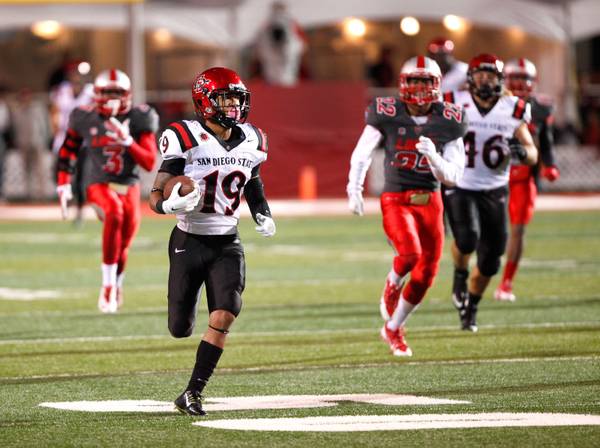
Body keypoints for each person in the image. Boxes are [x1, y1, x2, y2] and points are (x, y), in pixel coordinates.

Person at [149, 67, 276, 415]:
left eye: (237, 98)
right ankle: (185, 342)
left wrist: (262, 211)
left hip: (227, 242)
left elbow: (252, 181)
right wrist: (168, 204)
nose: (233, 105)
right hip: (189, 240)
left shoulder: (253, 138)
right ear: (205, 101)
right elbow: (157, 191)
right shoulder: (183, 135)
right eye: (225, 98)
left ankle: (192, 392)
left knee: (225, 313)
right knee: (180, 327)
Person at [347, 56, 468, 357]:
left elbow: (453, 176)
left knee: (428, 273)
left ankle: (393, 328)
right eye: (414, 81)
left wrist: (434, 158)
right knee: (411, 254)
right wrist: (354, 187)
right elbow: (362, 153)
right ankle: (393, 281)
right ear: (403, 84)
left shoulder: (449, 118)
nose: (419, 88)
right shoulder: (386, 112)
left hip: (432, 199)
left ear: (437, 85)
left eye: (425, 81)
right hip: (396, 197)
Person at [442, 54, 538, 332]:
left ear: (499, 79)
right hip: (461, 184)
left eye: (490, 75)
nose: (485, 80)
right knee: (467, 238)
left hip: (495, 188)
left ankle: (471, 305)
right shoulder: (454, 101)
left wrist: (524, 152)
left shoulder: (513, 108)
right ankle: (460, 274)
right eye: (480, 75)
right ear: (470, 78)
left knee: (491, 259)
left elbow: (532, 152)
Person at [56, 69, 158, 313]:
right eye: (107, 92)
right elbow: (68, 149)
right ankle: (108, 286)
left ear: (128, 94)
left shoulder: (139, 117)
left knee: (123, 244)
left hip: (129, 185)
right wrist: (63, 182)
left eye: (117, 92)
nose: (112, 97)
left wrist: (128, 142)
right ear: (97, 94)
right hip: (98, 183)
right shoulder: (83, 116)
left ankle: (117, 284)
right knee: (114, 212)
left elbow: (148, 162)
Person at [494, 58, 560, 302]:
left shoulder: (541, 109)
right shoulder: (494, 104)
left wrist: (550, 164)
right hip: (493, 177)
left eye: (525, 78)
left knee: (518, 230)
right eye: (515, 78)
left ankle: (506, 283)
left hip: (522, 177)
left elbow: (546, 140)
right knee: (487, 231)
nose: (520, 83)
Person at [50, 60, 94, 223]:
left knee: (82, 177)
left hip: (82, 141)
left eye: (80, 76)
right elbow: (54, 111)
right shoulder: (62, 91)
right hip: (64, 138)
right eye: (74, 75)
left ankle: (80, 210)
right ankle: (67, 198)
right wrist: (55, 129)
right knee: (58, 172)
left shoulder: (91, 93)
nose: (77, 79)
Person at [12, 88, 51, 200]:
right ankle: (28, 194)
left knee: (40, 170)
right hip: (24, 143)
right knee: (26, 170)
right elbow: (16, 128)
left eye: (27, 96)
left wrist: (46, 139)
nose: (25, 98)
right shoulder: (18, 110)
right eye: (23, 96)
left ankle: (41, 194)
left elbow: (45, 125)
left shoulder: (38, 108)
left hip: (37, 142)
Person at [255, 1, 306, 86]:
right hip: (275, 52)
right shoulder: (270, 21)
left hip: (282, 51)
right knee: (279, 70)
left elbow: (299, 40)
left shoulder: (289, 22)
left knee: (283, 70)